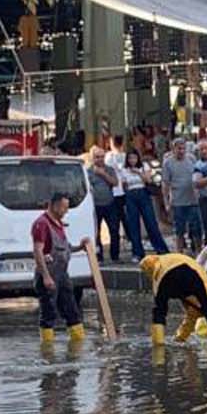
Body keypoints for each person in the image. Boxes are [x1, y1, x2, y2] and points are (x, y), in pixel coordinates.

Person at [30, 191, 90, 343]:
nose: (66, 211)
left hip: (63, 275)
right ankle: (47, 349)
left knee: (72, 311)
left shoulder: (59, 224)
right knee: (49, 314)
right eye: (64, 207)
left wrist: (79, 247)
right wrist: (46, 277)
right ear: (54, 206)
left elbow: (65, 248)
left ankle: (77, 344)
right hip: (49, 274)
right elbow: (38, 251)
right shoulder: (41, 224)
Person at [142, 251, 207, 351]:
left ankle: (161, 343)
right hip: (193, 275)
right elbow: (203, 277)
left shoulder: (157, 283)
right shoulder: (173, 257)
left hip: (167, 284)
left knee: (159, 312)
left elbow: (158, 310)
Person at [120, 149, 168, 260]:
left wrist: (138, 172)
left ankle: (161, 249)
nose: (132, 160)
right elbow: (124, 185)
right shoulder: (124, 170)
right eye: (130, 158)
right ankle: (137, 252)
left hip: (143, 193)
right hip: (131, 195)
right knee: (133, 225)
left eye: (134, 158)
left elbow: (148, 180)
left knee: (150, 222)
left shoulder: (144, 166)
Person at [162, 141, 202, 254]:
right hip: (177, 201)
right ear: (173, 149)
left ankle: (199, 252)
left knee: (196, 229)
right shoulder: (168, 163)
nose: (181, 151)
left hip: (193, 200)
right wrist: (166, 202)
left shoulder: (192, 159)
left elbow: (198, 174)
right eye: (179, 149)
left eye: (183, 149)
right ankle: (179, 253)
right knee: (179, 230)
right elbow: (165, 183)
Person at [85, 147, 119, 263]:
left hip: (110, 203)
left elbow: (115, 183)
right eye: (97, 157)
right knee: (96, 232)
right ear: (92, 158)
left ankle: (115, 256)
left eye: (102, 157)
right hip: (95, 206)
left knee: (114, 230)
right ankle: (99, 257)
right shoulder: (88, 171)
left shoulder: (109, 169)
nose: (100, 159)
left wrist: (103, 174)